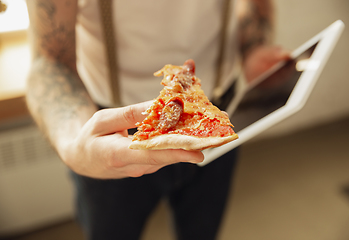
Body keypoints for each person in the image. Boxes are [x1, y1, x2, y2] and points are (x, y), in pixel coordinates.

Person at [25, 0, 288, 239]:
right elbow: (50, 59)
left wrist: (254, 48)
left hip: (218, 109)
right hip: (114, 131)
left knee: (203, 231)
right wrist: (74, 142)